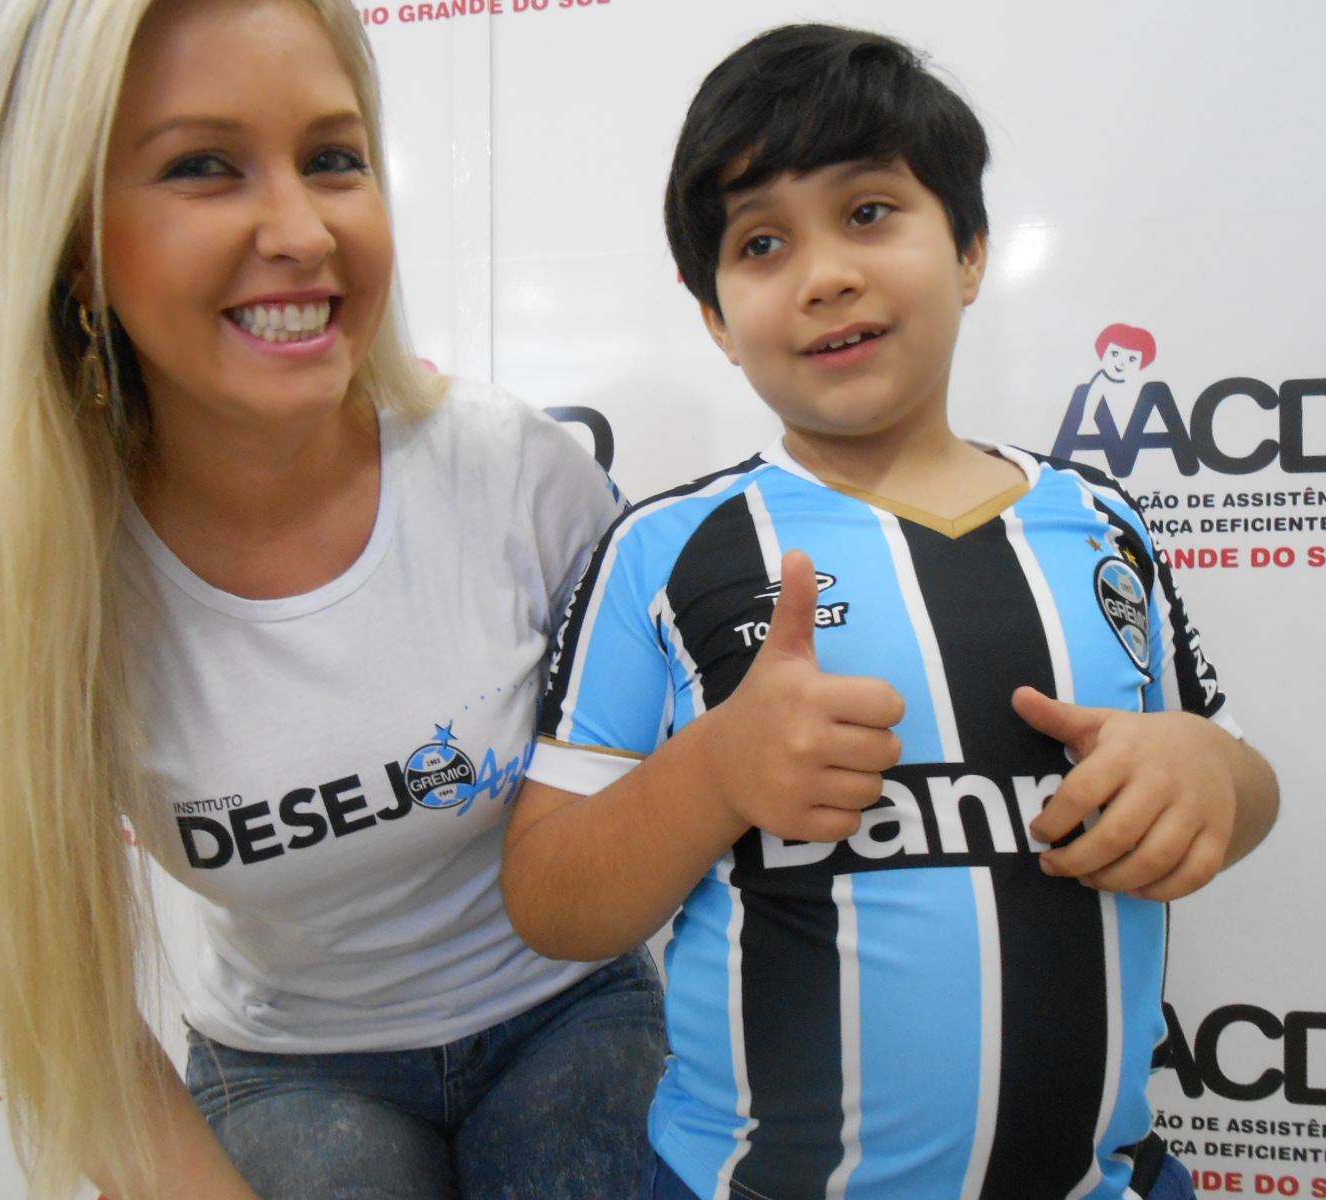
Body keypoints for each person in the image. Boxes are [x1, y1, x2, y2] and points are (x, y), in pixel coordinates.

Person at [0, 1, 662, 1198]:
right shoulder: (21, 610)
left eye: (332, 159)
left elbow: (722, 748)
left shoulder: (517, 474)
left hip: (573, 1010)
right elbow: (62, 1023)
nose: (303, 231)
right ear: (77, 245)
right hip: (288, 1070)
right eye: (204, 167)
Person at [502, 25, 1279, 1200]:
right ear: (712, 313)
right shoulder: (666, 551)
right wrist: (712, 774)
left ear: (968, 249)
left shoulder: (1101, 524)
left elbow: (1234, 780)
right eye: (761, 243)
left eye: (869, 213)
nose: (824, 275)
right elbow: (551, 902)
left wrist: (1215, 777)